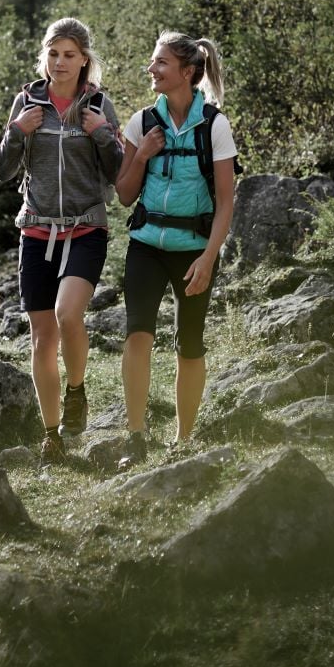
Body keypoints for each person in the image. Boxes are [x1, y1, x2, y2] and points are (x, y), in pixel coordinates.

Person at [0, 18, 123, 465]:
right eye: (53, 54)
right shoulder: (27, 102)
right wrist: (17, 131)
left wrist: (101, 133)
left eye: (69, 54)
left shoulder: (100, 104)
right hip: (36, 229)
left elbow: (118, 173)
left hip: (86, 227)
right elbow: (3, 171)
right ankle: (52, 434)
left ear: (85, 59)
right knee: (41, 337)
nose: (60, 62)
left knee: (70, 315)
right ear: (44, 57)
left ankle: (77, 391)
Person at [114, 31, 236, 469]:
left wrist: (208, 257)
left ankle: (184, 441)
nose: (152, 70)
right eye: (153, 62)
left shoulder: (215, 126)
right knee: (137, 334)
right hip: (146, 246)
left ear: (187, 72)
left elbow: (226, 202)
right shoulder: (141, 122)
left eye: (161, 63)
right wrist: (142, 154)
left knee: (190, 344)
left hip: (195, 252)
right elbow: (125, 195)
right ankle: (135, 437)